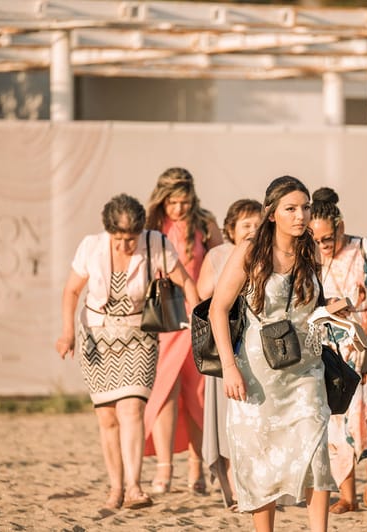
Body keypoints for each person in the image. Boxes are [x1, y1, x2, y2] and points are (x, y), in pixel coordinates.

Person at [55, 193, 200, 510]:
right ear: (109, 232)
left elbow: (187, 283)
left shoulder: (156, 244)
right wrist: (68, 333)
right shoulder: (91, 247)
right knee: (107, 417)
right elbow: (71, 291)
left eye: (131, 238)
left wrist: (200, 322)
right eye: (119, 238)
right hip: (97, 336)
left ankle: (134, 487)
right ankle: (115, 488)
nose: (125, 246)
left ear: (140, 231)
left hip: (139, 335)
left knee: (133, 409)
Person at [209, 176, 335, 532]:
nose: (301, 216)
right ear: (272, 213)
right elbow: (219, 308)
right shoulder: (251, 251)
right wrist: (229, 369)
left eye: (306, 208)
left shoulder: (310, 250)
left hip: (306, 369)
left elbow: (310, 309)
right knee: (258, 457)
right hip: (256, 372)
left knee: (316, 450)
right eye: (291, 209)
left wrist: (331, 309)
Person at [308, 187, 367, 513]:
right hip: (328, 348)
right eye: (316, 240)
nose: (323, 245)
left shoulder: (365, 250)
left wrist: (366, 325)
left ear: (340, 226)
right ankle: (348, 495)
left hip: (365, 344)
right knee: (335, 418)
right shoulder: (309, 256)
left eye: (327, 238)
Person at [144, 167, 224, 494]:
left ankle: (197, 468)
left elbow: (221, 261)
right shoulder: (149, 225)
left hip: (197, 317)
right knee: (165, 392)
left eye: (183, 201)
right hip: (163, 318)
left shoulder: (205, 222)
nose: (178, 208)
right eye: (172, 202)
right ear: (162, 198)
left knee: (198, 395)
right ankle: (164, 468)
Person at [197, 198, 262, 510]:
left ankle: (258, 486)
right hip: (227, 343)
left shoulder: (269, 252)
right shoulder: (218, 254)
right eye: (245, 225)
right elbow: (203, 294)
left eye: (257, 223)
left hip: (258, 345)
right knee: (227, 419)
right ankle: (235, 490)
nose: (252, 230)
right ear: (231, 229)